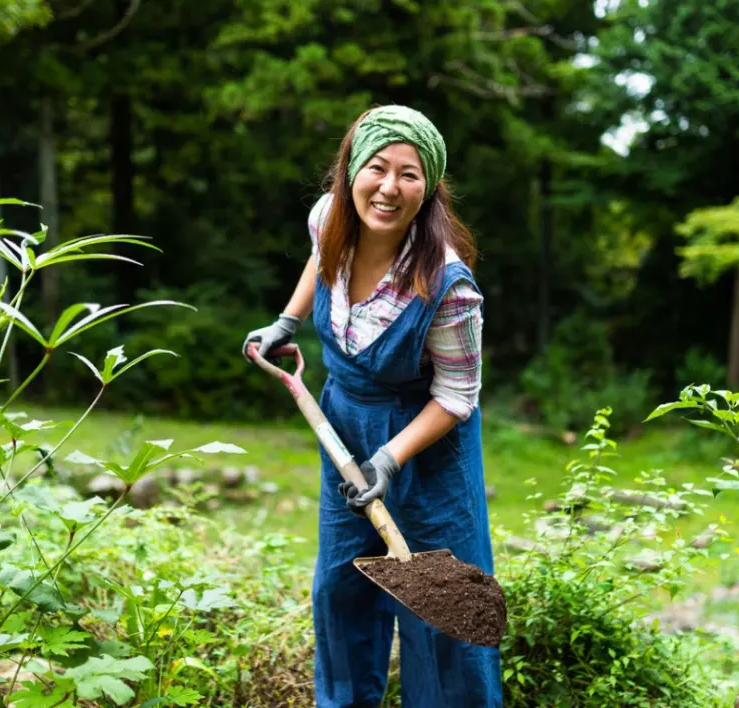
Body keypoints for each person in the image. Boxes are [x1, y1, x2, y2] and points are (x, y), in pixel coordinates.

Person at [242, 105, 502, 707]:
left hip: (426, 447)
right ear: (351, 169)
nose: (388, 188)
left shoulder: (447, 284)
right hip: (344, 427)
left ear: (429, 188)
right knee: (341, 592)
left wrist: (389, 458)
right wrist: (288, 320)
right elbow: (321, 256)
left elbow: (458, 395)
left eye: (409, 175)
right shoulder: (329, 216)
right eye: (377, 168)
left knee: (441, 622)